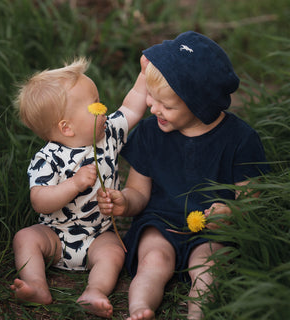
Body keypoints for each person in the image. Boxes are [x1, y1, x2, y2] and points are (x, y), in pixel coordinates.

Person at [97, 31, 270, 320]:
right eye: (151, 97)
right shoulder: (151, 133)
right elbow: (139, 192)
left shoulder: (240, 140)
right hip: (162, 222)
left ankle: (197, 313)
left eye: (167, 105)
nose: (153, 108)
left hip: (212, 228)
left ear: (199, 105)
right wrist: (125, 203)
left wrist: (231, 212)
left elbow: (251, 197)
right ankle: (140, 309)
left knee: (207, 265)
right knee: (152, 260)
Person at [11, 56, 147, 318]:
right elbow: (40, 200)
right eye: (95, 104)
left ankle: (95, 291)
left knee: (114, 251)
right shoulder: (48, 159)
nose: (103, 107)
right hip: (55, 236)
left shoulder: (107, 135)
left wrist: (143, 75)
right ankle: (37, 285)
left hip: (98, 234)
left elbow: (132, 108)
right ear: (66, 127)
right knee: (25, 237)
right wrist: (73, 184)